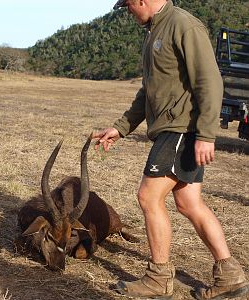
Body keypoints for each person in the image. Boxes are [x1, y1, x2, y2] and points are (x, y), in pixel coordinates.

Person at [92, 0, 249, 299]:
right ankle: (230, 274)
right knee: (189, 204)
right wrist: (121, 127)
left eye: (128, 6)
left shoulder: (183, 25)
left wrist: (205, 134)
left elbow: (210, 81)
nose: (128, 12)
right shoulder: (154, 31)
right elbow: (147, 92)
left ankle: (158, 277)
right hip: (175, 130)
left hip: (181, 129)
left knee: (148, 196)